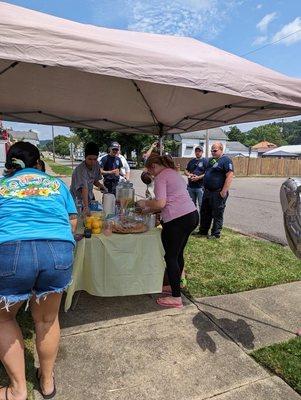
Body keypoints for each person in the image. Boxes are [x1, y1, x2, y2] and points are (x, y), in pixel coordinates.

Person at [0, 142, 77, 400]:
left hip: (11, 251)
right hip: (58, 249)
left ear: (10, 164)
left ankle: (18, 390)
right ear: (37, 163)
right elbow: (72, 222)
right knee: (46, 320)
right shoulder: (56, 184)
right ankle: (46, 383)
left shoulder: (2, 185)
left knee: (3, 318)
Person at [137, 154, 198, 309]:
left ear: (154, 166)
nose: (151, 175)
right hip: (191, 215)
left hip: (177, 219)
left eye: (150, 171)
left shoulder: (161, 177)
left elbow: (160, 203)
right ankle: (174, 285)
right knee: (178, 254)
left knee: (170, 257)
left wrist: (144, 203)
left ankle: (176, 298)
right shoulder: (173, 173)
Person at [198, 142, 234, 239]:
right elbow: (207, 173)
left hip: (218, 192)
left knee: (217, 213)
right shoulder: (212, 161)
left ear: (221, 149)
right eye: (211, 150)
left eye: (215, 150)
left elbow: (230, 176)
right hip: (207, 191)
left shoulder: (226, 160)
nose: (212, 152)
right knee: (205, 212)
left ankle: (215, 233)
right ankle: (203, 231)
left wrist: (223, 191)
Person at [70, 142, 104, 214]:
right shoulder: (81, 169)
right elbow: (84, 188)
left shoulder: (96, 165)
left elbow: (94, 180)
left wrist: (101, 186)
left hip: (88, 197)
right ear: (85, 157)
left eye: (95, 159)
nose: (92, 162)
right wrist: (86, 207)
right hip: (77, 200)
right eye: (90, 159)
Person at [184, 146, 207, 214]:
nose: (197, 152)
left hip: (200, 187)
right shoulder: (191, 161)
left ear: (202, 152)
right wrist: (189, 174)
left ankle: (201, 222)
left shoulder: (205, 161)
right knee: (192, 205)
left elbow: (207, 173)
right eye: (196, 151)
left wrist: (198, 177)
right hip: (191, 187)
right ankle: (194, 221)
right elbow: (185, 171)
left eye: (199, 151)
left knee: (201, 205)